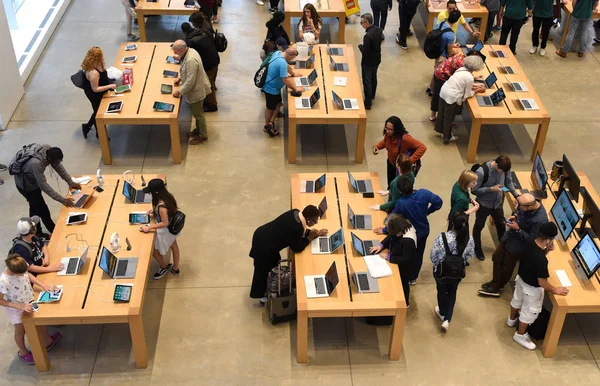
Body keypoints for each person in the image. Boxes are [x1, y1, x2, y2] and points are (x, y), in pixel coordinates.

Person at [508, 222, 569, 350]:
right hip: (531, 289)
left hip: (520, 279)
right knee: (529, 313)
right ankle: (520, 334)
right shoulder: (541, 260)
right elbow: (542, 282)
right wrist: (554, 289)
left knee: (517, 300)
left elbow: (533, 258)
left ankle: (512, 319)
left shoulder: (530, 242)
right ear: (548, 240)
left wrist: (546, 250)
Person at [249, 205, 327, 303]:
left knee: (272, 264)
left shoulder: (296, 212)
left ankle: (267, 288)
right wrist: (309, 238)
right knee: (262, 269)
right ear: (308, 220)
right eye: (315, 221)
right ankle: (260, 296)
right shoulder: (296, 228)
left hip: (262, 234)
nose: (316, 223)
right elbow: (297, 248)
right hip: (265, 246)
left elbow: (297, 232)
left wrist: (315, 233)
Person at [376, 176, 443, 284]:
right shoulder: (424, 193)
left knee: (407, 254)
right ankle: (414, 277)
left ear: (400, 190)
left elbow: (394, 221)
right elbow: (438, 202)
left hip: (409, 233)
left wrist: (384, 230)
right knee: (419, 254)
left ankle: (407, 275)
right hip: (423, 230)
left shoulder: (401, 203)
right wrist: (428, 211)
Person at [479, 193, 548, 297]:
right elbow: (519, 210)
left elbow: (532, 240)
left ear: (529, 207)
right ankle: (495, 282)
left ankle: (498, 287)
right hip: (509, 237)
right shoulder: (529, 203)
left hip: (518, 246)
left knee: (507, 266)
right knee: (496, 257)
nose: (518, 207)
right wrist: (515, 214)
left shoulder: (539, 220)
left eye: (520, 206)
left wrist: (518, 229)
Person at [0, 254, 62, 365]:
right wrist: (19, 306)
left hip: (30, 300)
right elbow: (0, 300)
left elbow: (28, 274)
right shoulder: (3, 281)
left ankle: (47, 341)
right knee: (20, 331)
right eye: (21, 274)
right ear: (13, 272)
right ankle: (23, 352)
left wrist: (43, 285)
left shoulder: (21, 265)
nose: (24, 274)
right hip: (16, 309)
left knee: (39, 320)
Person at [11, 145, 81, 235]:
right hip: (26, 186)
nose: (58, 163)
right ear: (49, 159)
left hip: (33, 181)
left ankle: (36, 232)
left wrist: (70, 182)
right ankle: (56, 233)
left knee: (35, 207)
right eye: (57, 161)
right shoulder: (36, 164)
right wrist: (62, 200)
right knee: (43, 210)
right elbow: (43, 185)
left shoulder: (48, 150)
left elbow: (59, 167)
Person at [431, 212, 474, 332]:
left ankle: (442, 311)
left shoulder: (442, 237)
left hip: (441, 271)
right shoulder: (469, 239)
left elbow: (433, 255)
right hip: (457, 272)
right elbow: (470, 255)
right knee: (452, 292)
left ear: (452, 223)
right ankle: (447, 319)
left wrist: (437, 265)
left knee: (441, 290)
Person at [471, 156, 519, 261]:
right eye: (501, 171)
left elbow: (508, 182)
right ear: (496, 165)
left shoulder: (505, 169)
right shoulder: (482, 172)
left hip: (497, 204)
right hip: (483, 205)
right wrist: (491, 189)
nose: (502, 174)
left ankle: (503, 248)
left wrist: (516, 195)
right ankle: (477, 248)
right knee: (479, 226)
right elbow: (474, 190)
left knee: (501, 225)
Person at [434, 55, 486, 144]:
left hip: (444, 91)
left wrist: (473, 86)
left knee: (442, 113)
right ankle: (447, 137)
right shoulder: (469, 77)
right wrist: (477, 90)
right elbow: (467, 95)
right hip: (452, 98)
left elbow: (461, 83)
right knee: (449, 118)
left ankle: (440, 130)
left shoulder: (460, 69)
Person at [369, 214, 417, 306]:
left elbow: (406, 259)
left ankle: (405, 304)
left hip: (405, 267)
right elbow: (391, 236)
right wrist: (381, 245)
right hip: (398, 254)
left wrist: (389, 257)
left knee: (403, 284)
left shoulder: (408, 241)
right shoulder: (400, 225)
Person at [139, 179, 181, 279]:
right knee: (174, 245)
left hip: (166, 231)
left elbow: (164, 223)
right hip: (173, 228)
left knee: (153, 250)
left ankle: (164, 266)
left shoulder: (161, 206)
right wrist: (154, 213)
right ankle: (176, 268)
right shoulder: (168, 197)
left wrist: (149, 227)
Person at [172, 40, 212, 145]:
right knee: (196, 113)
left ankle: (203, 135)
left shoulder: (190, 60)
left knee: (199, 114)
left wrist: (179, 91)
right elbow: (186, 70)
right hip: (195, 87)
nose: (175, 54)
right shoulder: (190, 51)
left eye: (176, 51)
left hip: (196, 91)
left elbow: (190, 81)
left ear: (181, 49)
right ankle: (198, 130)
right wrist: (180, 78)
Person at [372, 116, 427, 188]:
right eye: (386, 128)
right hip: (391, 163)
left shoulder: (405, 138)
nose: (387, 131)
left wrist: (409, 161)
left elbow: (422, 147)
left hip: (400, 168)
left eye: (390, 129)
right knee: (391, 185)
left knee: (398, 188)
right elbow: (385, 142)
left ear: (396, 130)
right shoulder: (388, 135)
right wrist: (377, 146)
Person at [430, 50, 482, 122]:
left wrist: (474, 79)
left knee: (437, 96)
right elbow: (462, 80)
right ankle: (433, 116)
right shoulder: (462, 64)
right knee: (437, 97)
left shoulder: (462, 57)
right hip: (441, 76)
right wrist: (476, 87)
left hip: (441, 71)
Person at [261, 47, 302, 137]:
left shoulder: (278, 53)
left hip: (274, 88)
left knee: (278, 104)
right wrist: (296, 89)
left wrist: (293, 74)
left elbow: (287, 66)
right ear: (290, 55)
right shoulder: (282, 62)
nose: (293, 60)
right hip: (271, 89)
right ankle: (266, 126)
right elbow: (285, 80)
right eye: (293, 57)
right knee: (270, 108)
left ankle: (271, 122)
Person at [182, 20, 220, 112]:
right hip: (215, 59)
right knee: (212, 81)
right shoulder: (200, 33)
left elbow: (187, 53)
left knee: (209, 83)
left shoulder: (190, 41)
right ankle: (210, 94)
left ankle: (212, 105)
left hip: (208, 64)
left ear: (184, 32)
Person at [81, 47, 117, 139]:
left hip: (102, 89)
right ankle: (100, 134)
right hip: (95, 95)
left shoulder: (97, 65)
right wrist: (109, 86)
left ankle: (88, 127)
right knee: (98, 113)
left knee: (97, 112)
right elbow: (95, 89)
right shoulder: (93, 72)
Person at [425, 9, 461, 98]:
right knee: (438, 75)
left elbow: (443, 39)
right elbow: (450, 51)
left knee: (435, 72)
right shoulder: (450, 35)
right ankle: (432, 92)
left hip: (437, 51)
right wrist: (455, 51)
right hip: (442, 56)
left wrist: (453, 45)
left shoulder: (441, 24)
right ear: (456, 20)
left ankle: (430, 88)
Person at [358, 13, 383, 110]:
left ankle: (367, 103)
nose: (361, 24)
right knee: (373, 77)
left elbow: (365, 51)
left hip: (368, 61)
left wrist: (360, 47)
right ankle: (372, 95)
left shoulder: (368, 36)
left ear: (367, 23)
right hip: (377, 58)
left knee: (367, 80)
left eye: (362, 22)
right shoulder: (378, 29)